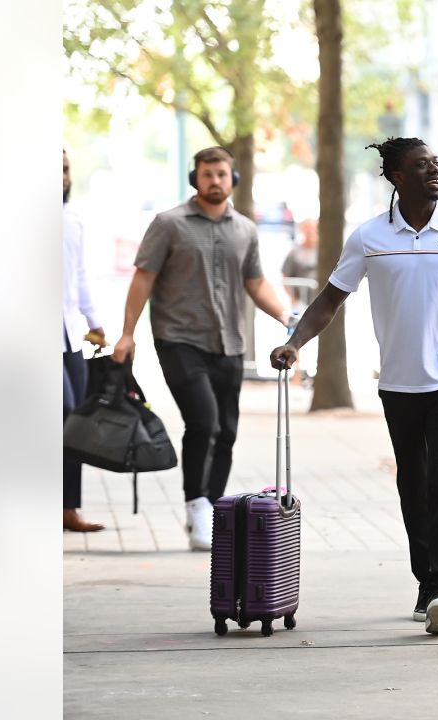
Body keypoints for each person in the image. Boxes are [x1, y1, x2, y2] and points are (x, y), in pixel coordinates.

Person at [270, 138, 438, 637]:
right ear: (397, 178)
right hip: (400, 386)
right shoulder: (370, 236)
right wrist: (295, 342)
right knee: (414, 486)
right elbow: (329, 300)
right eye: (421, 166)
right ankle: (425, 579)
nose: (434, 172)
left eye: (436, 165)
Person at [112, 146, 292, 551]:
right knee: (205, 421)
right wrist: (128, 332)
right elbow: (143, 278)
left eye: (222, 174)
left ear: (233, 180)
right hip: (179, 339)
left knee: (226, 431)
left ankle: (211, 506)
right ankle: (196, 506)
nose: (215, 181)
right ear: (196, 179)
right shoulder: (169, 224)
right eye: (207, 174)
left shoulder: (245, 229)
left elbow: (255, 281)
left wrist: (284, 314)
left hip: (228, 342)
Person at [62, 150, 106, 533]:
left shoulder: (72, 219)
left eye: (63, 170)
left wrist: (95, 323)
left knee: (73, 421)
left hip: (67, 336)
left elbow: (78, 277)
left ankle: (68, 508)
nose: (60, 177)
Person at [281, 218, 319, 309]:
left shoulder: (323, 251)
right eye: (307, 227)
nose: (310, 231)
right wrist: (294, 299)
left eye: (312, 227)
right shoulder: (294, 252)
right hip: (301, 301)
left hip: (320, 299)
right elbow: (285, 276)